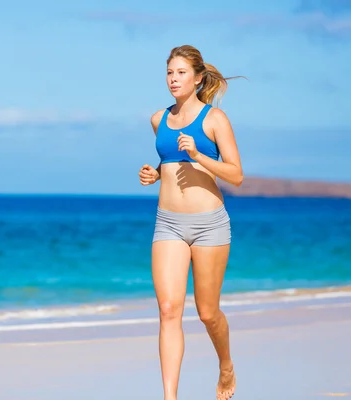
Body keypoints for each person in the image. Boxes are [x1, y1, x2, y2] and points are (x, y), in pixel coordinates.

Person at [138, 44, 244, 400]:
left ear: (198, 79)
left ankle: (226, 367)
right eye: (169, 72)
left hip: (209, 225)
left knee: (208, 313)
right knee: (168, 310)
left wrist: (199, 154)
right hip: (167, 223)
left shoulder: (214, 120)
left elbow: (236, 175)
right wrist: (155, 174)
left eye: (181, 73)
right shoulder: (159, 119)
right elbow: (171, 163)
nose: (173, 79)